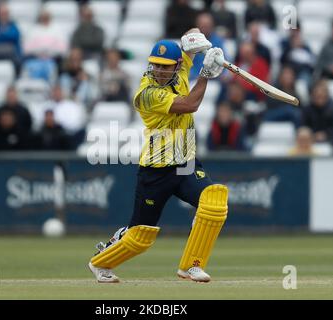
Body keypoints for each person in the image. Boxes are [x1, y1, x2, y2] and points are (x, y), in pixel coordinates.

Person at [88, 29, 229, 283]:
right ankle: (101, 262)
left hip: (185, 163)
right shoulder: (147, 94)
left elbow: (191, 37)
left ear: (176, 66)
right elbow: (189, 105)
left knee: (214, 202)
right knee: (141, 236)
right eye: (156, 66)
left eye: (166, 67)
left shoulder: (181, 67)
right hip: (156, 169)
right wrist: (206, 74)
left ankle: (191, 266)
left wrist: (198, 40)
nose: (160, 71)